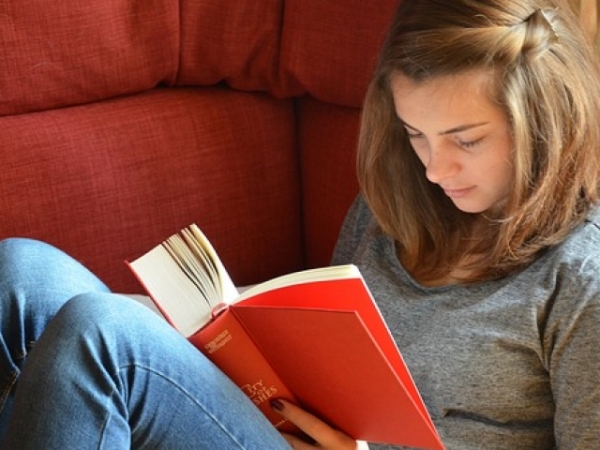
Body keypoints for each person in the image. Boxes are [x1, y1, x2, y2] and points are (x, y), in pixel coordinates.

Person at [1, 0, 600, 449]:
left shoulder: (582, 278)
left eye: (465, 140)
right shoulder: (401, 198)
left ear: (545, 121)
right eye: (416, 133)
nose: (435, 168)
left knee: (102, 333)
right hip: (275, 430)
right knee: (21, 273)